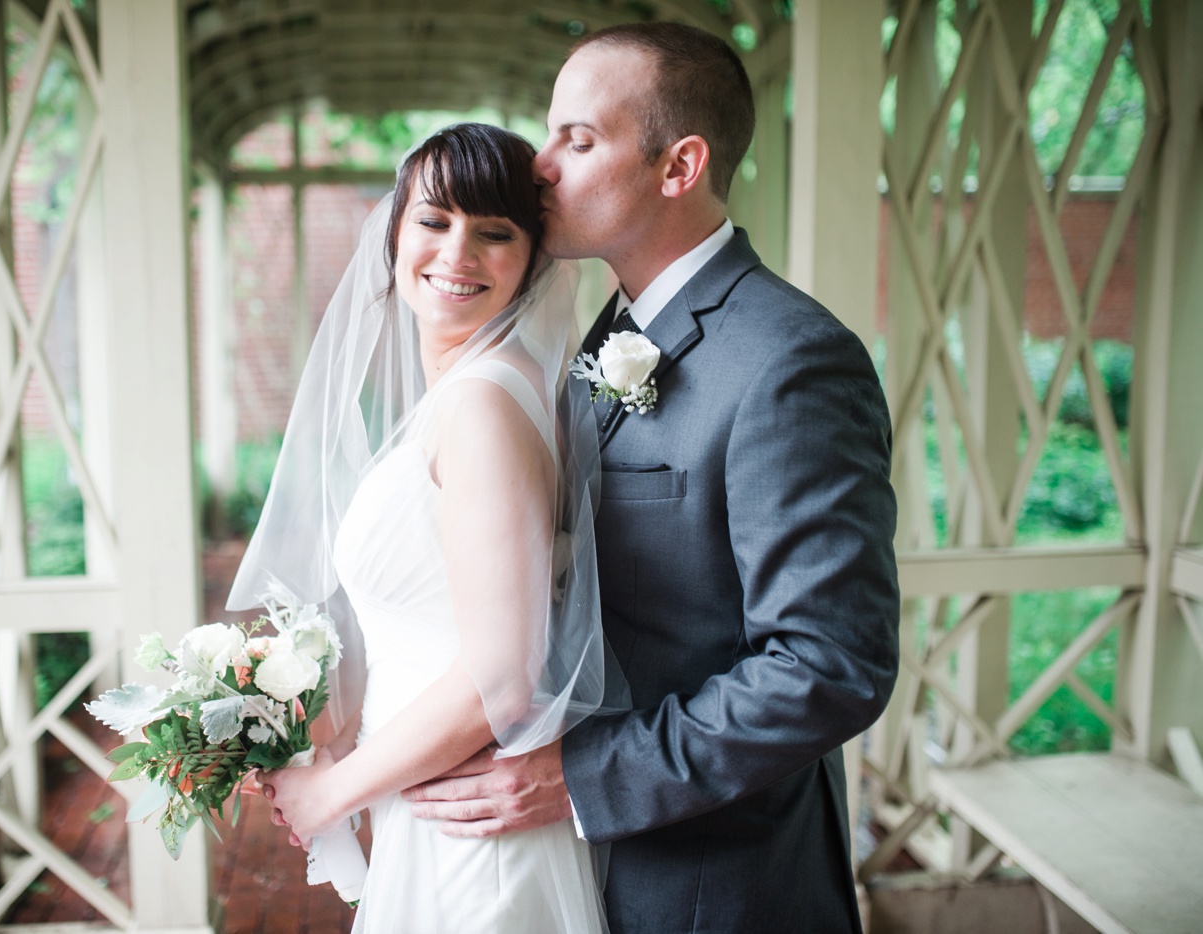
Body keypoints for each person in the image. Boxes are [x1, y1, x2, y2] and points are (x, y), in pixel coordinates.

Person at [402, 23, 901, 933]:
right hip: (569, 869)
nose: (541, 165)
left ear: (679, 167)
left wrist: (583, 779)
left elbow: (829, 665)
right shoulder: (606, 337)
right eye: (550, 133)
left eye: (578, 140)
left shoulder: (790, 361)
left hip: (715, 883)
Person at [225, 123, 614, 932]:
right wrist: (336, 748)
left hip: (470, 840)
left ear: (533, 259)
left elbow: (501, 680)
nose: (458, 252)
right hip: (424, 803)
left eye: (495, 232)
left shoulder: (481, 405)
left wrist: (335, 790)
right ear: (394, 231)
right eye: (434, 221)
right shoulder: (462, 396)